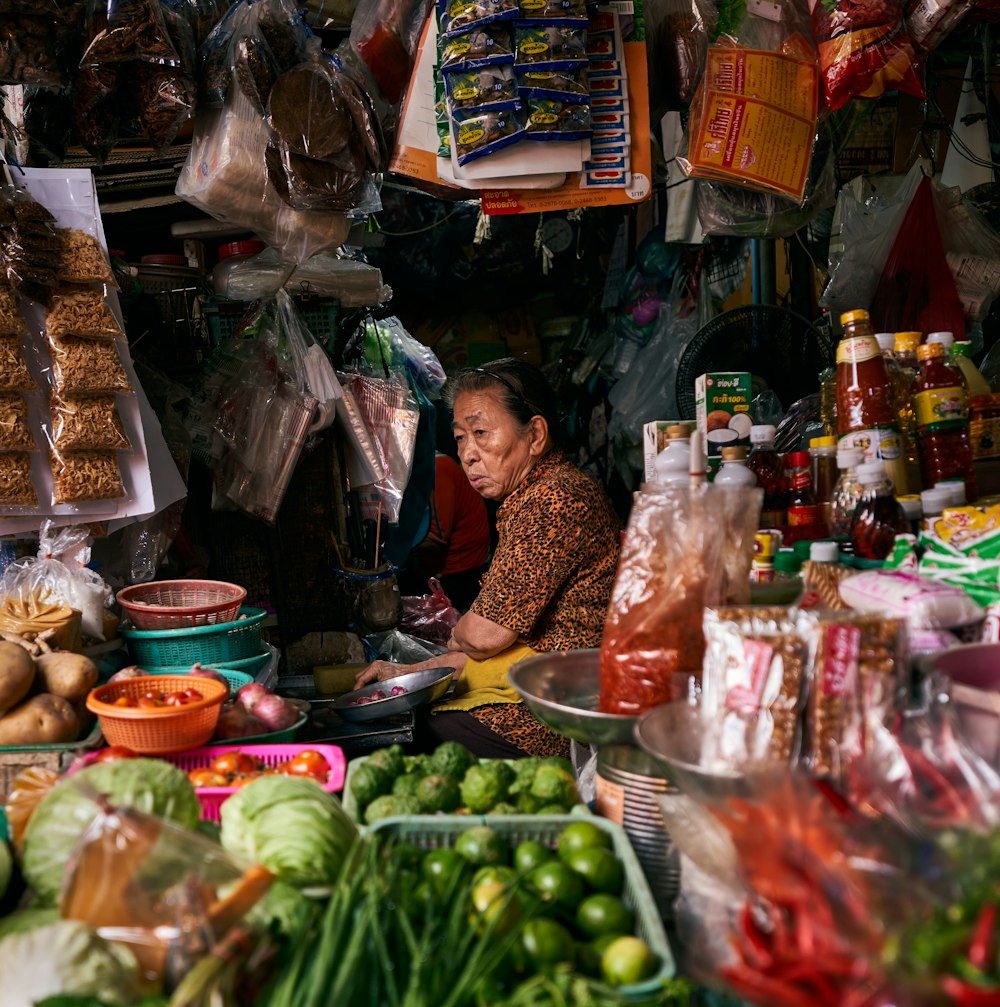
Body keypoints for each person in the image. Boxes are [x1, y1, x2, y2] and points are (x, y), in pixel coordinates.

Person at [355, 358, 621, 758]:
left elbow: (484, 637)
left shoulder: (555, 498)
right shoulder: (530, 496)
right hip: (532, 693)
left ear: (534, 435)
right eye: (461, 437)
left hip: (551, 719)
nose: (469, 454)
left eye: (481, 432)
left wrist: (461, 631)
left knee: (416, 741)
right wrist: (404, 673)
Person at [400, 451, 490, 612]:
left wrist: (391, 543)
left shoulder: (438, 469)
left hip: (460, 572)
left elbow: (436, 539)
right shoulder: (419, 468)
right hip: (438, 566)